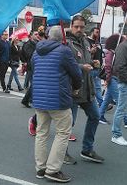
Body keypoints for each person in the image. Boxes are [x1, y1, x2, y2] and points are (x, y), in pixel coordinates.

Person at [33, 25, 82, 183]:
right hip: (58, 99)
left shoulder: (36, 51)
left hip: (39, 98)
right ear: (62, 38)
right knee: (62, 133)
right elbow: (76, 74)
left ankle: (41, 167)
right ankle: (53, 170)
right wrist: (76, 88)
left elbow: (34, 70)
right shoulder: (64, 51)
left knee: (41, 133)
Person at [67, 15, 104, 163]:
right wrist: (82, 67)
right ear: (71, 25)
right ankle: (62, 153)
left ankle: (87, 149)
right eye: (76, 26)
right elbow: (64, 65)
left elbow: (86, 60)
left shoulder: (85, 42)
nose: (79, 29)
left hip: (88, 88)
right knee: (68, 125)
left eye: (81, 27)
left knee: (95, 116)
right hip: (73, 90)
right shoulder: (66, 43)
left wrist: (93, 62)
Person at [98, 34, 127, 127]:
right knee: (120, 100)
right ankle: (126, 119)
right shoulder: (111, 54)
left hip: (115, 78)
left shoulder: (116, 53)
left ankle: (99, 116)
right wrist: (108, 78)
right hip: (112, 78)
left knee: (107, 99)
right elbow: (108, 67)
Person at [21, 31, 39, 107]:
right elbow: (29, 55)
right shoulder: (28, 44)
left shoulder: (37, 43)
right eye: (35, 34)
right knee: (34, 84)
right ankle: (27, 99)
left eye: (38, 34)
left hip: (36, 66)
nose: (37, 35)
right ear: (31, 36)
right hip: (31, 66)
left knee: (34, 84)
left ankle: (29, 99)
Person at [86, 27, 104, 106]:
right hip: (91, 67)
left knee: (97, 87)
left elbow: (100, 55)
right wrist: (91, 52)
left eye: (98, 33)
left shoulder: (98, 43)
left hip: (98, 68)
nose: (98, 34)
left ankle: (100, 103)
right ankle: (102, 103)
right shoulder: (86, 41)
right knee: (96, 87)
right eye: (96, 32)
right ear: (92, 32)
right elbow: (85, 54)